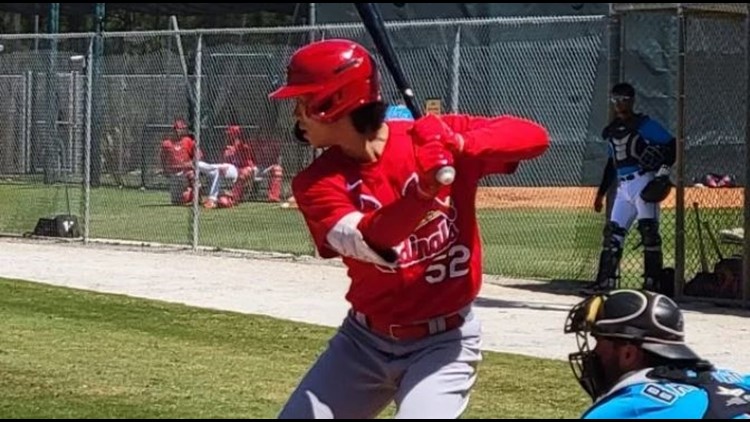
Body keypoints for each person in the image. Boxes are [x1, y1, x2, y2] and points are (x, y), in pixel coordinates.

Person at [267, 38, 551, 419]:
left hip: (444, 343)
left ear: (333, 102)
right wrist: (424, 191)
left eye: (303, 102)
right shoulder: (316, 182)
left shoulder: (430, 139)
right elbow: (373, 238)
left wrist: (459, 141)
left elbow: (534, 137)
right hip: (363, 342)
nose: (297, 115)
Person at [564, 288, 750, 419]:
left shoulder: (630, 407)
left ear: (628, 354)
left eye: (598, 342)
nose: (593, 353)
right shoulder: (737, 379)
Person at [587, 82, 677, 293]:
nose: (620, 104)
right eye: (616, 100)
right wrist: (600, 193)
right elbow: (612, 164)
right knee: (613, 234)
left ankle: (651, 283)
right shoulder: (611, 131)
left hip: (643, 180)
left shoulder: (643, 125)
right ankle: (605, 282)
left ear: (632, 100)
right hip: (623, 186)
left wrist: (663, 172)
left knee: (649, 232)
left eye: (624, 100)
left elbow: (671, 144)